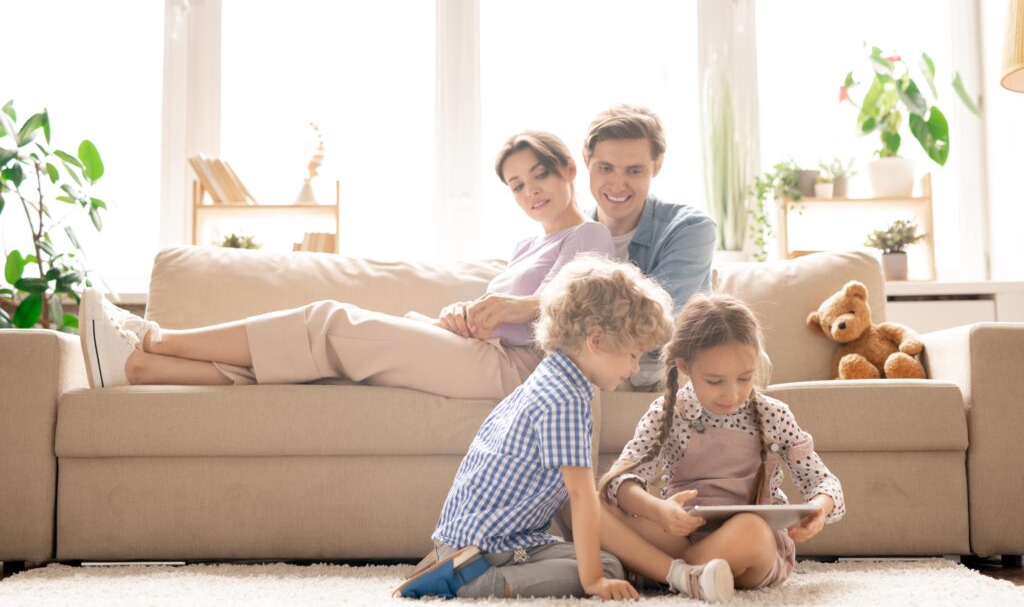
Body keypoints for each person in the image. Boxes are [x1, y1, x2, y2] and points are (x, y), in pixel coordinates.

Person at [79, 131, 614, 399]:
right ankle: (137, 368)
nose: (530, 191)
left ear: (568, 169)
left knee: (329, 322)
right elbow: (503, 310)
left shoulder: (590, 234)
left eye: (539, 176)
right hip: (482, 350)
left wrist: (506, 307)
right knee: (318, 357)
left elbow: (583, 308)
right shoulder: (526, 247)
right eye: (517, 185)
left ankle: (155, 339)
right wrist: (464, 313)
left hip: (518, 372)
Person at [396, 254, 675, 600]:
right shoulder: (566, 400)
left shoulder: (551, 377)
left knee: (606, 562)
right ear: (597, 341)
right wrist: (593, 582)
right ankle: (476, 583)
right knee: (608, 569)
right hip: (485, 549)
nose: (634, 368)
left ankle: (459, 566)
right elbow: (579, 496)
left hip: (480, 540)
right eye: (633, 354)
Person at [598, 293, 846, 595]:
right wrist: (658, 511)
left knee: (750, 529)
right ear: (684, 366)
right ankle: (691, 575)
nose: (731, 394)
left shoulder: (774, 415)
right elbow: (619, 481)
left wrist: (818, 509)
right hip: (683, 535)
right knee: (590, 502)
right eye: (715, 381)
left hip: (751, 547)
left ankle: (662, 571)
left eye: (744, 378)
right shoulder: (669, 411)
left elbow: (822, 481)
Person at [582, 104, 718, 389]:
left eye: (634, 170)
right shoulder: (571, 233)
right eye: (605, 168)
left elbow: (655, 324)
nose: (618, 185)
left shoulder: (690, 228)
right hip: (589, 366)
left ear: (657, 165)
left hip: (661, 371)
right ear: (586, 160)